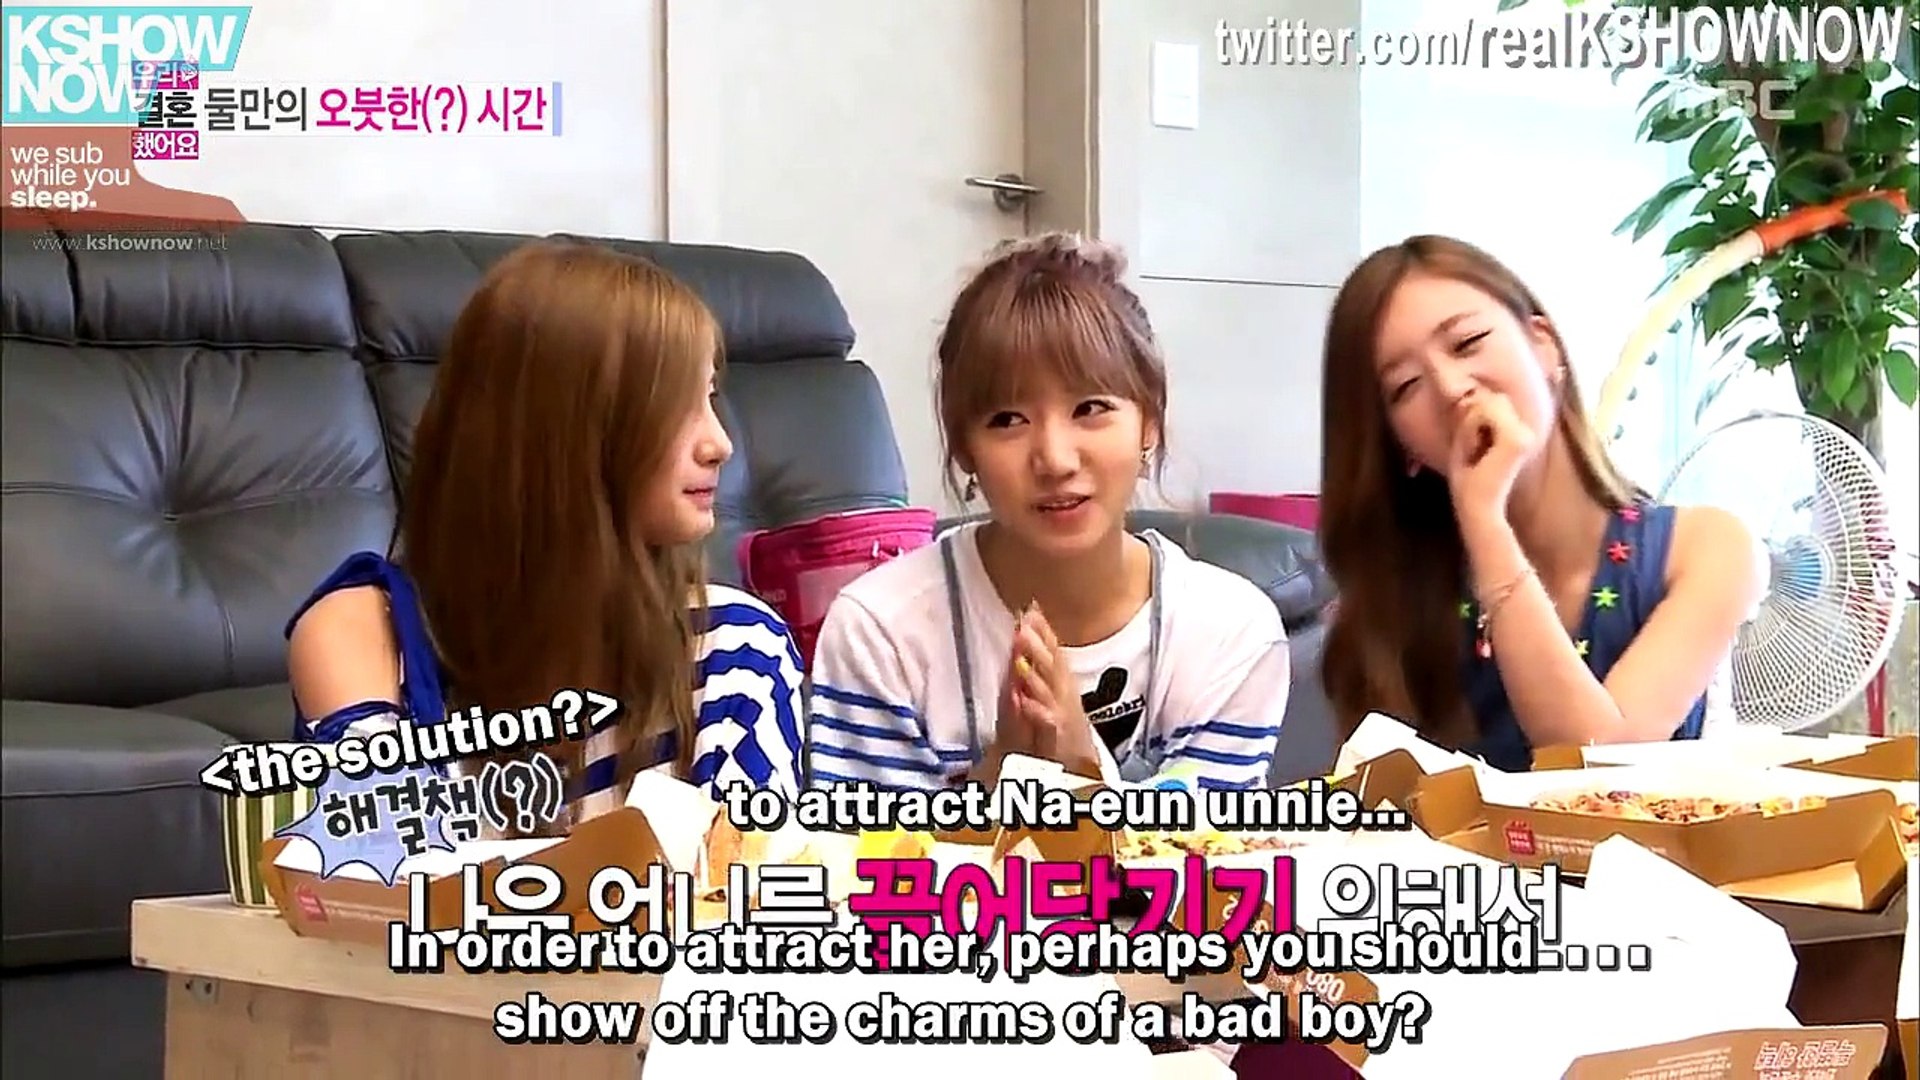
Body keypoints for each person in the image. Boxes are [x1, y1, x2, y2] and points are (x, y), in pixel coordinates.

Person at [285, 241, 805, 829]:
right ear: (565, 431)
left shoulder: (736, 647)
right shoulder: (363, 633)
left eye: (708, 397)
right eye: (674, 405)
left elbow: (747, 877)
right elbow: (379, 868)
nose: (720, 444)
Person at [805, 232, 1290, 792]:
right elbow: (871, 848)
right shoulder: (880, 633)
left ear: (1149, 423)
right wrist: (999, 781)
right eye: (1008, 420)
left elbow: (1215, 848)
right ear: (964, 449)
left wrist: (1085, 774)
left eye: (1091, 408)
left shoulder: (1231, 635)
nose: (1055, 460)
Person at [1317, 235, 1765, 771]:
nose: (1452, 388)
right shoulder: (1392, 603)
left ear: (1543, 345)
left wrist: (1485, 521)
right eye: (1406, 385)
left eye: (1467, 343)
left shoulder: (1707, 548)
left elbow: (1595, 763)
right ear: (1400, 446)